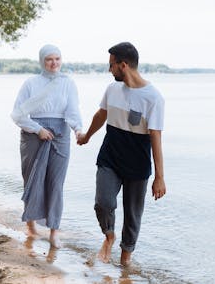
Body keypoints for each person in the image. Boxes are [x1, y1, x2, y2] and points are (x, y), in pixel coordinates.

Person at [77, 41, 166, 266]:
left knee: (133, 215)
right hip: (110, 157)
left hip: (137, 163)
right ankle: (109, 235)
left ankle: (126, 259)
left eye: (111, 65)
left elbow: (155, 136)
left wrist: (160, 176)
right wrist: (87, 136)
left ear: (123, 65)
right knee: (103, 202)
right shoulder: (112, 89)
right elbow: (101, 114)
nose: (109, 70)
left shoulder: (153, 97)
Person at [11, 44, 82, 248]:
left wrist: (78, 129)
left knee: (56, 183)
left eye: (57, 59)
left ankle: (54, 231)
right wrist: (37, 129)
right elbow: (18, 114)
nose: (54, 63)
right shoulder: (31, 83)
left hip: (60, 135)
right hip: (33, 135)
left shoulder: (67, 83)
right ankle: (31, 225)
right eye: (50, 59)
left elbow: (72, 111)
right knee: (32, 179)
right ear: (42, 61)